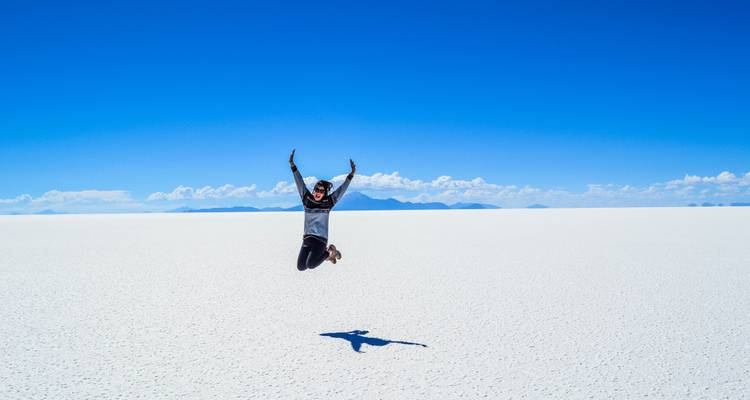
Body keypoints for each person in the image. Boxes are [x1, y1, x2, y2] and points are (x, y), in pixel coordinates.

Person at [289, 149, 356, 271]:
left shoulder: (328, 203)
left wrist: (350, 176)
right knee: (301, 267)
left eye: (321, 191)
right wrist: (293, 166)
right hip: (307, 238)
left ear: (324, 193)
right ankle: (329, 256)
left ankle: (330, 252)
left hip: (320, 240)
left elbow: (341, 190)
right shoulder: (307, 199)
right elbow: (299, 183)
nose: (318, 193)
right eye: (316, 189)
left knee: (311, 264)